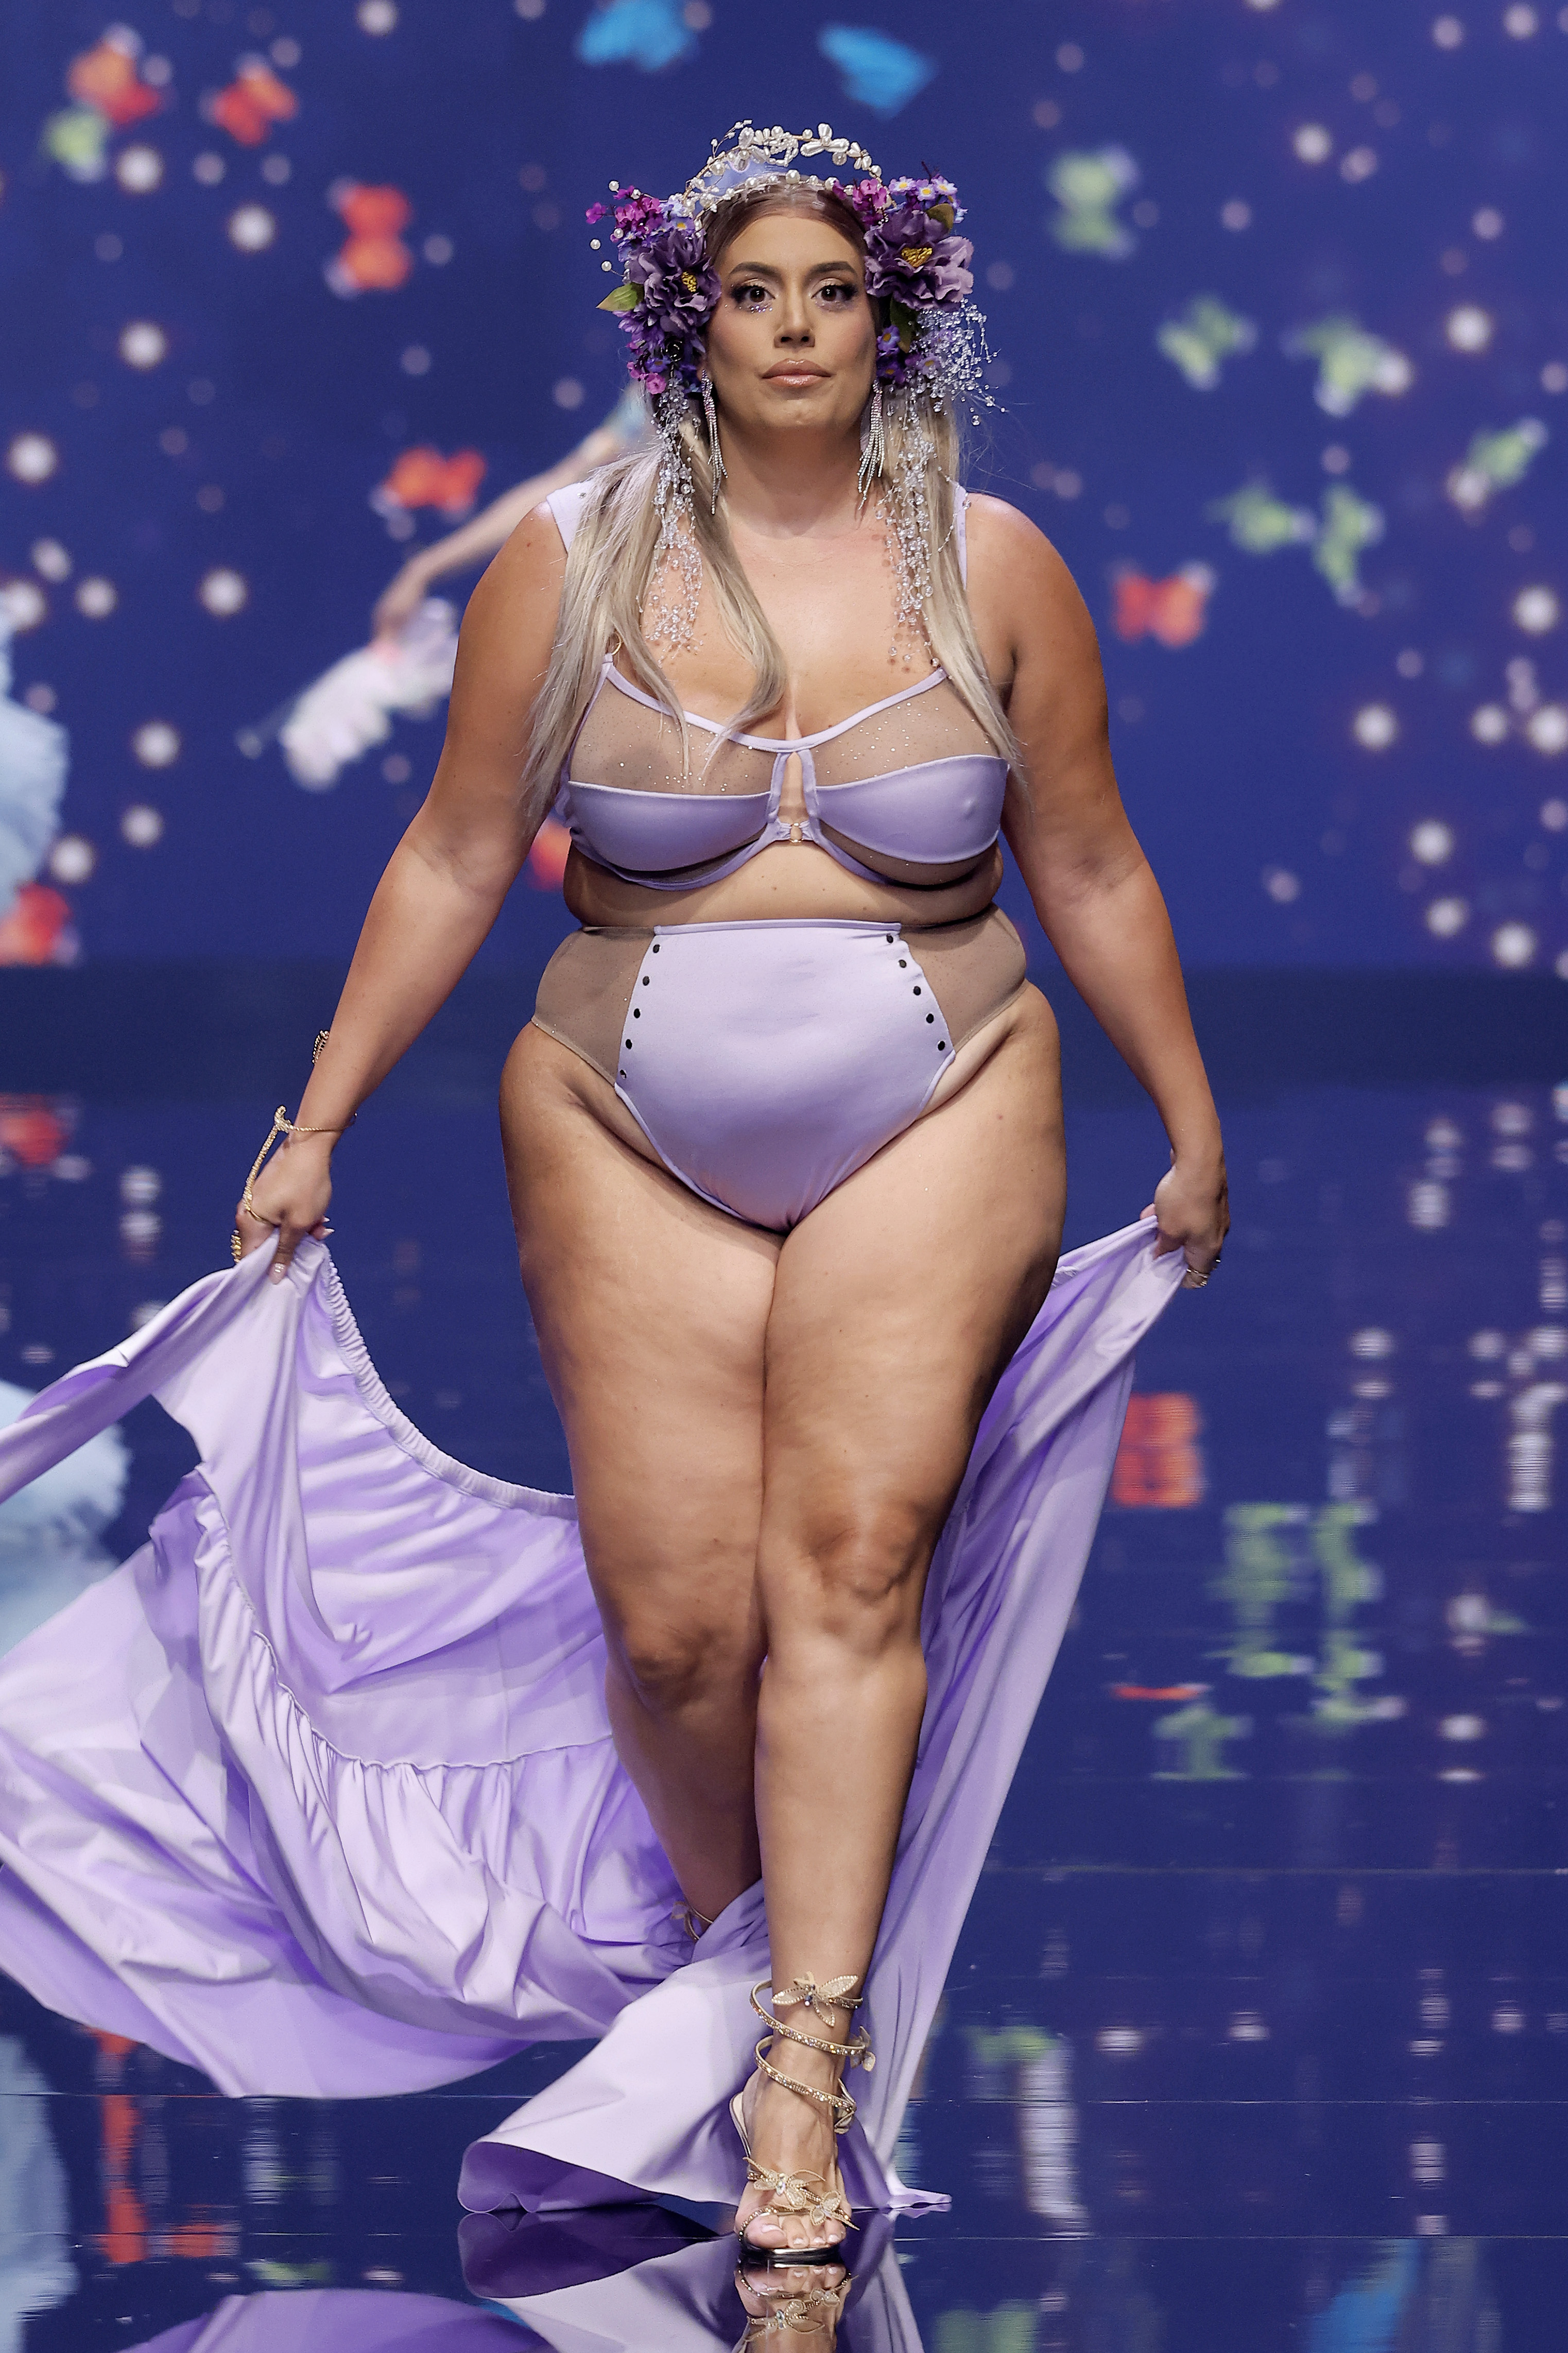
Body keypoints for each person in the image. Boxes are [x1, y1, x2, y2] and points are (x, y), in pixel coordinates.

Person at [0, 121, 1224, 2285]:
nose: (795, 331)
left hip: (947, 1098)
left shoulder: (995, 565)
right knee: (676, 1629)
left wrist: (1191, 1120)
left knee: (849, 1561)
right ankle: (737, 1975)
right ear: (691, 322)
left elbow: (1093, 859)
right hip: (618, 1112)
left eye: (833, 291)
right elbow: (458, 852)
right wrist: (316, 1118)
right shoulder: (564, 570)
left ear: (892, 317)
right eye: (753, 293)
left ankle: (803, 2064)